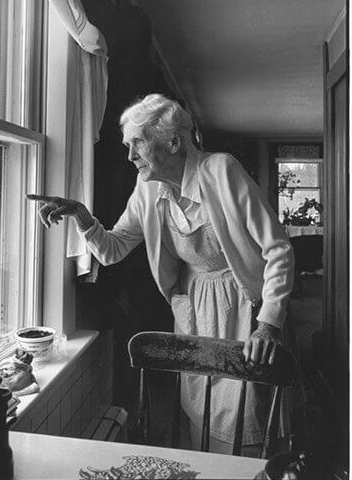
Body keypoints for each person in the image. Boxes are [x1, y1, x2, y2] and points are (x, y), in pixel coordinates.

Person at [27, 93, 294, 455]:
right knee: (202, 411)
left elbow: (278, 249)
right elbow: (111, 249)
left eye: (137, 142)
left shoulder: (221, 170)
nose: (130, 155)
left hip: (246, 305)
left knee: (246, 415)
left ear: (173, 141)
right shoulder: (146, 188)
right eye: (127, 145)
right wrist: (81, 216)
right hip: (196, 309)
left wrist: (269, 323)